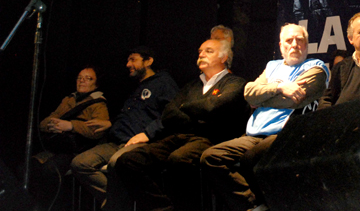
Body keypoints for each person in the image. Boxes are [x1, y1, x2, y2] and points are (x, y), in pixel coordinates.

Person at [200, 23, 329, 211]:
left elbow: (292, 100)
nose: (294, 45)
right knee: (211, 157)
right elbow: (249, 93)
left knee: (252, 159)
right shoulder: (272, 66)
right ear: (281, 46)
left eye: (299, 40)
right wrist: (279, 87)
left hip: (285, 134)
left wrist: (263, 97)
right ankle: (255, 205)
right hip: (253, 134)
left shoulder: (316, 67)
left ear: (306, 44)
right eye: (289, 40)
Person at [109, 39, 249, 211]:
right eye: (200, 51)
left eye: (208, 51)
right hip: (178, 136)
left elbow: (214, 108)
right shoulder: (192, 85)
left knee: (179, 160)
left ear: (224, 58)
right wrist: (201, 113)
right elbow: (168, 114)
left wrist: (185, 107)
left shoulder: (235, 83)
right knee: (128, 161)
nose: (201, 55)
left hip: (210, 138)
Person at [70, 46, 179, 206]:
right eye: (128, 60)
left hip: (140, 143)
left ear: (148, 61)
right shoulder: (135, 86)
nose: (128, 64)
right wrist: (110, 124)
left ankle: (118, 204)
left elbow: (172, 114)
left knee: (117, 163)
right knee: (80, 163)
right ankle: (119, 203)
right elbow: (133, 116)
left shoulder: (163, 83)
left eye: (133, 59)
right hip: (116, 141)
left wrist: (147, 134)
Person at [32, 66, 109, 208]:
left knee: (50, 170)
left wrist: (71, 125)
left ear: (96, 84)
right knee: (28, 167)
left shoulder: (99, 104)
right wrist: (52, 125)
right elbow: (44, 122)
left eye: (88, 78)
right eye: (79, 78)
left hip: (76, 150)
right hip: (57, 146)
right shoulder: (69, 99)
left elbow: (97, 131)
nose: (82, 81)